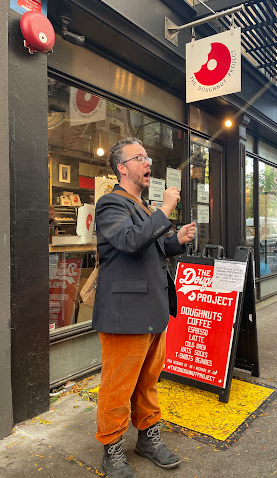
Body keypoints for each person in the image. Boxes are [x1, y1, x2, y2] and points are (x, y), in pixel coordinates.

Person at [93, 137, 196, 478]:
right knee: (117, 385)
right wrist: (165, 211)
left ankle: (148, 439)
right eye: (139, 157)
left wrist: (174, 241)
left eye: (147, 156)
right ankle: (112, 448)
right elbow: (129, 242)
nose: (147, 162)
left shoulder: (144, 208)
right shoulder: (110, 204)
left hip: (151, 310)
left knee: (148, 382)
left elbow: (149, 248)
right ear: (122, 168)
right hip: (124, 313)